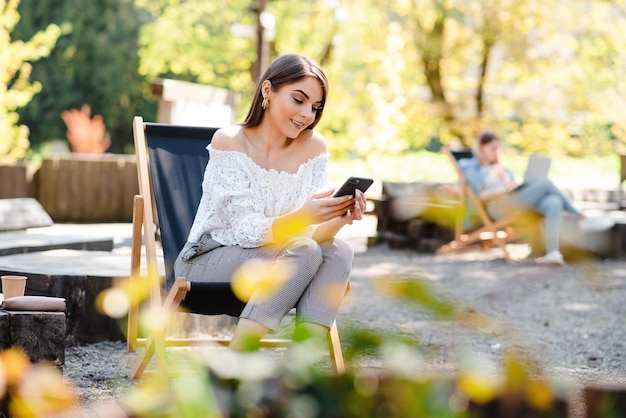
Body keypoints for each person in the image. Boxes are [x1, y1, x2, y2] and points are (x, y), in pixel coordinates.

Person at [173, 54, 367, 350]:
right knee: (303, 250)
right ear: (268, 91)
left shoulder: (315, 147)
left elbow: (311, 239)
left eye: (315, 107)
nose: (307, 115)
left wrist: (337, 218)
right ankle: (234, 365)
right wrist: (303, 217)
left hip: (285, 256)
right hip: (207, 261)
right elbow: (247, 231)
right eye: (299, 100)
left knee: (338, 251)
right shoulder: (230, 141)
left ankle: (301, 370)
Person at [456, 131, 585, 266]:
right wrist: (504, 190)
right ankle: (577, 215)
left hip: (515, 202)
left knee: (554, 202)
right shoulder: (471, 167)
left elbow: (512, 188)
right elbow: (480, 197)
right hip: (497, 207)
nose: (497, 152)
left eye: (498, 149)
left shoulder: (503, 169)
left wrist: (508, 181)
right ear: (481, 149)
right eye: (493, 149)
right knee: (544, 182)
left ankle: (552, 252)